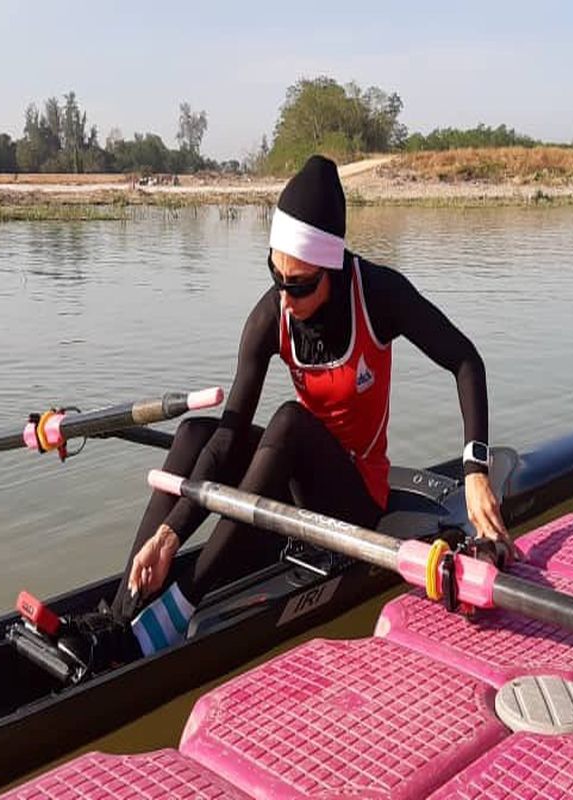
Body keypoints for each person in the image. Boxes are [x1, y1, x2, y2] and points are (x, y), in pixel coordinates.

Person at [57, 155, 509, 669]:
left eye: (299, 285)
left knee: (289, 420)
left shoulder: (379, 295)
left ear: (332, 269)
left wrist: (475, 469)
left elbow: (465, 360)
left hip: (357, 494)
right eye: (277, 277)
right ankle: (123, 611)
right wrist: (172, 531)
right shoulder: (269, 316)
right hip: (295, 480)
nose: (285, 297)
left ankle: (185, 599)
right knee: (195, 433)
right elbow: (226, 440)